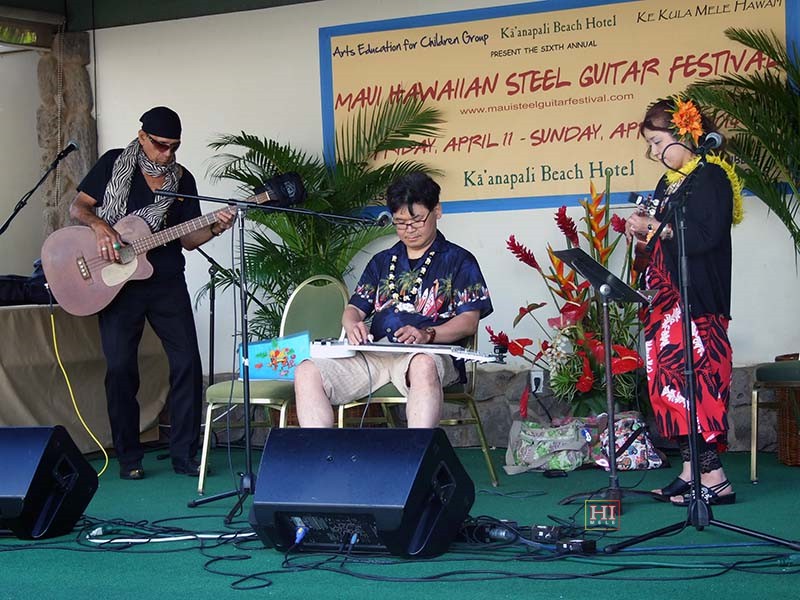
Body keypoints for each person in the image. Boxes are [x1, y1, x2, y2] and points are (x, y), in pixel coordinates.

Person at [69, 106, 236, 479]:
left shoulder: (182, 179)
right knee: (120, 367)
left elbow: (189, 239)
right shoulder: (113, 163)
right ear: (142, 136)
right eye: (161, 145)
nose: (167, 153)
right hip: (116, 282)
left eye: (174, 146)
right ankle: (129, 458)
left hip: (165, 281)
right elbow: (78, 207)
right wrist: (100, 226)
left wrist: (215, 227)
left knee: (187, 362)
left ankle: (185, 454)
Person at [295, 172, 493, 428]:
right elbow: (354, 308)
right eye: (400, 223)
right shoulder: (382, 261)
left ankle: (418, 451)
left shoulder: (459, 261)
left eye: (417, 220)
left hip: (427, 354)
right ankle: (320, 452)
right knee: (307, 371)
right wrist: (352, 325)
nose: (409, 230)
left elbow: (469, 322)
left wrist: (428, 334)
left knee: (423, 365)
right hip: (373, 355)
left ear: (437, 211)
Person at [624, 96, 743, 506]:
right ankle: (692, 473)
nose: (654, 153)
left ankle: (716, 479)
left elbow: (706, 237)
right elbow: (660, 236)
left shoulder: (712, 177)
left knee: (697, 387)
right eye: (650, 145)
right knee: (670, 389)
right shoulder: (670, 183)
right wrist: (641, 231)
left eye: (657, 142)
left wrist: (657, 227)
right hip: (664, 301)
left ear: (686, 135)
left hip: (697, 302)